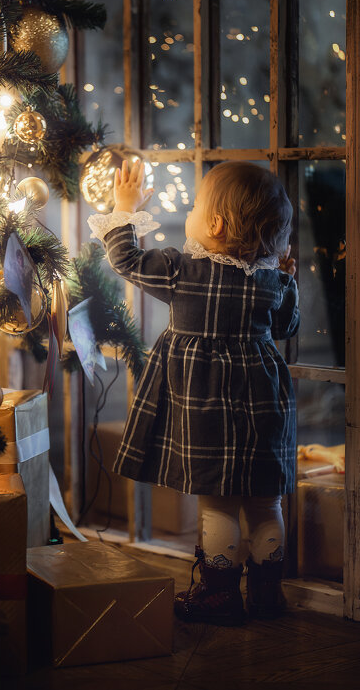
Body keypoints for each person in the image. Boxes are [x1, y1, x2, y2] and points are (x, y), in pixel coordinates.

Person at [87, 159, 299, 626]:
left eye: (196, 206)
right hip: (264, 400)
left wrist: (124, 208)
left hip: (205, 402)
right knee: (266, 501)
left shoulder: (183, 270)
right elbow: (286, 327)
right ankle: (267, 594)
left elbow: (125, 260)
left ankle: (220, 597)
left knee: (217, 499)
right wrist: (286, 276)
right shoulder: (273, 281)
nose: (190, 213)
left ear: (216, 225)